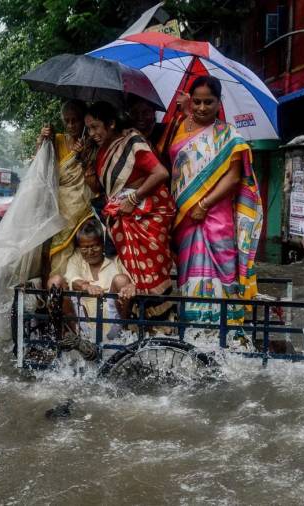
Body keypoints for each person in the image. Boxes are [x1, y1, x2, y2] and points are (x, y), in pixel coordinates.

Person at [167, 75, 263, 323]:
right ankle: (192, 325)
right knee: (188, 271)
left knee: (222, 270)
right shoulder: (179, 129)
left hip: (216, 217)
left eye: (208, 102)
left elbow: (232, 178)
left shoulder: (229, 136)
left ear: (219, 103)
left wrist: (203, 205)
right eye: (197, 102)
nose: (201, 108)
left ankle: (226, 326)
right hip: (186, 217)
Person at [82, 101, 176, 323]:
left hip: (148, 218)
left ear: (111, 123)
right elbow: (103, 190)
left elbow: (160, 173)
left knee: (153, 276)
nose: (92, 133)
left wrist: (134, 198)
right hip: (125, 221)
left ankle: (162, 328)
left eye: (96, 127)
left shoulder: (132, 141)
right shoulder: (100, 151)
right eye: (89, 128)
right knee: (131, 281)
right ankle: (136, 328)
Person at [46, 219, 136, 359]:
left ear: (102, 245)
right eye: (85, 248)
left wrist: (130, 287)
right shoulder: (76, 258)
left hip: (112, 322)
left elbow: (131, 281)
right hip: (81, 322)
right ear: (79, 248)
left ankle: (121, 333)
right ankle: (71, 336)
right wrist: (86, 286)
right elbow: (72, 277)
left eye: (95, 246)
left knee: (121, 279)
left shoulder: (115, 260)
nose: (90, 252)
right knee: (55, 281)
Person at [37, 100, 95, 277]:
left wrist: (84, 155)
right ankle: (55, 290)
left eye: (75, 120)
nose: (71, 125)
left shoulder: (92, 142)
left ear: (83, 121)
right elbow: (41, 166)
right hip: (58, 206)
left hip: (84, 206)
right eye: (67, 121)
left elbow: (94, 177)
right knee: (52, 252)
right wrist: (43, 140)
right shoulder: (58, 139)